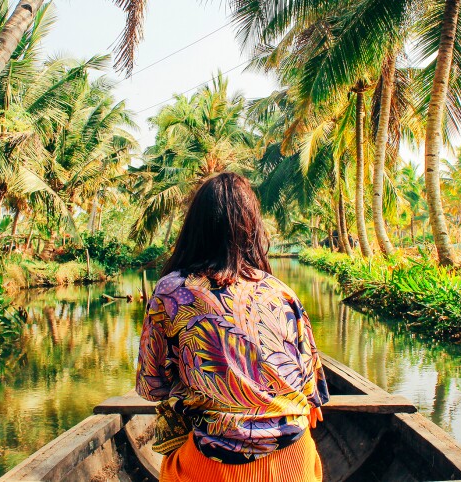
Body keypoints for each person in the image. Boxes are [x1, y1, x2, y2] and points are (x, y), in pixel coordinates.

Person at [136, 172, 329, 482]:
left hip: (217, 464)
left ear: (195, 228)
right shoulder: (281, 292)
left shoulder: (171, 291)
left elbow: (152, 386)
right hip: (295, 460)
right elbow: (312, 393)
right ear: (251, 229)